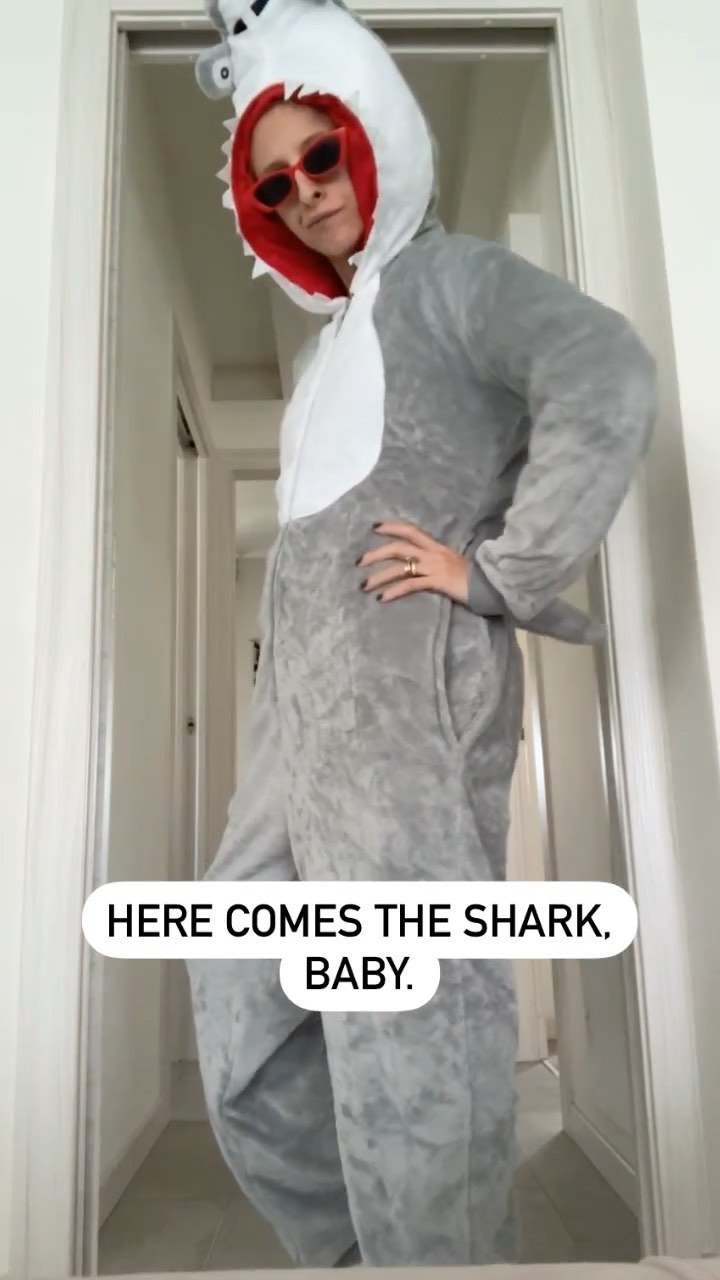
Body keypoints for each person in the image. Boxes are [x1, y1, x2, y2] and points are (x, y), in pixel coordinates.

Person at [187, 0, 658, 1269]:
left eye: (319, 155)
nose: (302, 192)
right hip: (297, 748)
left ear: (372, 135)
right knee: (240, 992)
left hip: (408, 734)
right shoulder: (324, 355)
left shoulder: (453, 282)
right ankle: (364, 1254)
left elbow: (604, 370)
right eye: (273, 182)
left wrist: (500, 573)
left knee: (414, 1032)